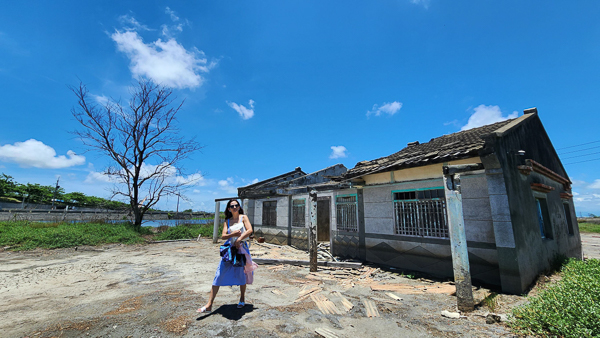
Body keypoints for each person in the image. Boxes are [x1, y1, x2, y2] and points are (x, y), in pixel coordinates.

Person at [197, 199, 257, 313]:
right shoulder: (227, 221)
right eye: (232, 206)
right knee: (219, 274)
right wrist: (233, 234)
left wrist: (238, 239)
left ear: (239, 207)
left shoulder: (243, 217)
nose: (234, 207)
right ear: (229, 208)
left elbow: (249, 230)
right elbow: (223, 236)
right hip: (229, 250)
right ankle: (209, 304)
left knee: (241, 274)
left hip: (241, 249)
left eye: (236, 205)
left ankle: (242, 298)